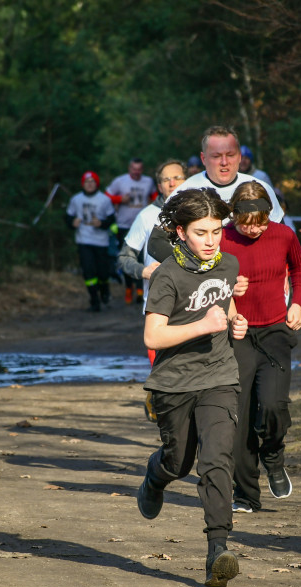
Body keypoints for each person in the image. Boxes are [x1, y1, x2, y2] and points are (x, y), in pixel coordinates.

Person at [135, 188, 248, 587]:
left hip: (219, 377)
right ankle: (155, 475)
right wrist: (203, 326)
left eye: (217, 231)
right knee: (179, 462)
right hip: (175, 384)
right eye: (202, 232)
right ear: (181, 232)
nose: (211, 241)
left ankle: (218, 550)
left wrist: (237, 323)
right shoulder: (168, 274)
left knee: (217, 460)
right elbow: (153, 336)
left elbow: (226, 308)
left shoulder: (228, 264)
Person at [222, 181, 301, 514]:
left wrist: (297, 303)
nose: (254, 229)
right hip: (238, 334)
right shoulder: (223, 238)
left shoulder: (283, 235)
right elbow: (205, 280)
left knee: (272, 405)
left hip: (275, 331)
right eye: (247, 223)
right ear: (234, 216)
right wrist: (228, 285)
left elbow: (299, 268)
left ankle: (273, 457)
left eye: (261, 221)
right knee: (240, 416)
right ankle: (245, 494)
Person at [117, 159, 188, 421]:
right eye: (166, 179)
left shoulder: (197, 212)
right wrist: (144, 271)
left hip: (194, 303)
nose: (172, 183)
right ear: (158, 185)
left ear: (187, 180)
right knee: (164, 371)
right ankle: (160, 402)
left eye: (178, 177)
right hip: (157, 306)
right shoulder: (147, 216)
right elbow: (124, 258)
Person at [165, 126, 284, 224]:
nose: (224, 162)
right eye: (216, 156)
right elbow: (158, 240)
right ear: (203, 158)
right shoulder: (184, 192)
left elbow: (280, 233)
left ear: (239, 156)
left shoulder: (260, 189)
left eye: (230, 155)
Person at [106, 158, 157, 304]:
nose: (136, 172)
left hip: (143, 226)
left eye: (139, 169)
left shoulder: (148, 181)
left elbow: (155, 196)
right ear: (129, 168)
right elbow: (106, 196)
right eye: (134, 169)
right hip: (124, 225)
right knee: (128, 257)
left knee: (142, 257)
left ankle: (140, 290)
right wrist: (119, 199)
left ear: (142, 170)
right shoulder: (120, 181)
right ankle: (129, 288)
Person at [66, 171, 117, 312]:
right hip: (83, 240)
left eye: (92, 181)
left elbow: (112, 219)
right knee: (89, 272)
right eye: (87, 182)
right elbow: (68, 217)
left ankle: (105, 291)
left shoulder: (104, 200)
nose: (89, 184)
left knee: (102, 272)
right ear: (83, 184)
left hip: (101, 241)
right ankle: (94, 300)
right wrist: (72, 223)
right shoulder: (76, 199)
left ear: (97, 183)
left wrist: (101, 223)